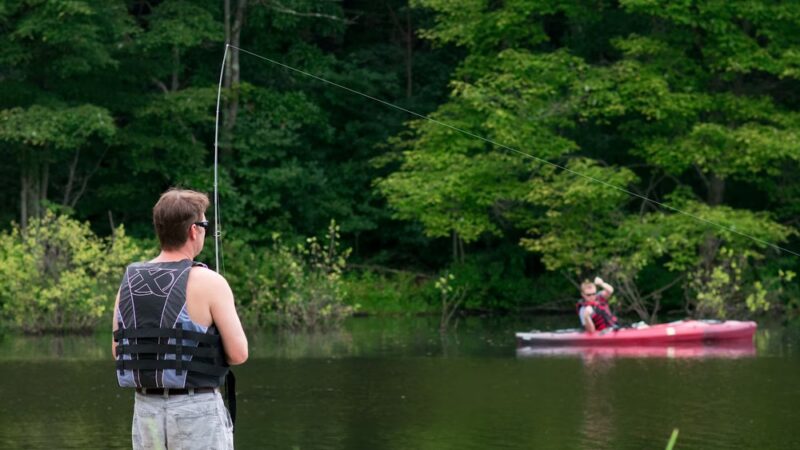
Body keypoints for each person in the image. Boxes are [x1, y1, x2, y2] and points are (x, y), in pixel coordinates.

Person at [111, 188, 248, 449]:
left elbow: (118, 351)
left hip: (146, 411)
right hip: (197, 411)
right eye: (204, 223)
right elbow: (238, 354)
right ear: (193, 230)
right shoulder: (210, 282)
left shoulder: (128, 282)